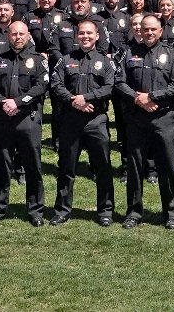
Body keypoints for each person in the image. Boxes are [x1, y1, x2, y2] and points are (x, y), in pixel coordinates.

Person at [114, 15, 174, 229]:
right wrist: (139, 99)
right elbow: (119, 81)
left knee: (167, 166)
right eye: (145, 29)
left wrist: (152, 97)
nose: (149, 33)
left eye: (153, 29)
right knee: (135, 166)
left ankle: (172, 212)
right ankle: (134, 212)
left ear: (161, 31)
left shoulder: (172, 55)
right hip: (137, 119)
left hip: (164, 119)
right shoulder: (129, 54)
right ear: (140, 31)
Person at [48, 20, 121, 227]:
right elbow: (55, 85)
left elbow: (110, 87)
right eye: (82, 33)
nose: (85, 37)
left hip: (96, 121)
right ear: (76, 36)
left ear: (97, 36)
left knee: (103, 168)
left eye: (89, 33)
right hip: (71, 120)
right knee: (66, 167)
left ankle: (106, 210)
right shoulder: (66, 60)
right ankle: (62, 210)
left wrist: (87, 98)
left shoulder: (106, 62)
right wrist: (75, 101)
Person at [0, 21, 50, 226]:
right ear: (8, 36)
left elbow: (41, 86)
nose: (18, 37)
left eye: (22, 34)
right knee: (2, 167)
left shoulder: (38, 59)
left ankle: (35, 211)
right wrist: (3, 102)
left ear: (28, 35)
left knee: (33, 166)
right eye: (14, 34)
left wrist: (18, 102)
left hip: (27, 119)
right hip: (4, 119)